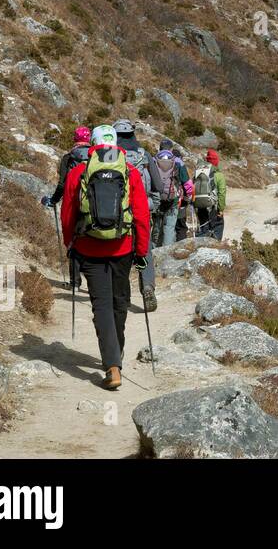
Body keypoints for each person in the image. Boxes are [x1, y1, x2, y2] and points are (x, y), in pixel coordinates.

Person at [59, 124, 150, 391]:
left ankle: (112, 366)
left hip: (89, 247)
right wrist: (142, 251)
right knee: (120, 301)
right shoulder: (130, 172)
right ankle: (115, 356)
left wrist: (70, 244)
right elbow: (143, 217)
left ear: (93, 146)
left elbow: (68, 215)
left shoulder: (78, 172)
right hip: (123, 247)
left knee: (101, 305)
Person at [114, 120, 164, 312]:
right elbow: (158, 186)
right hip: (143, 209)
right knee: (145, 249)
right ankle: (148, 286)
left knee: (122, 250)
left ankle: (124, 294)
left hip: (119, 214)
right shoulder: (145, 156)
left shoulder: (112, 157)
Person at [41, 125, 92, 209]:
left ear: (75, 139)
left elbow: (62, 184)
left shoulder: (69, 158)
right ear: (89, 139)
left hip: (74, 201)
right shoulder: (95, 156)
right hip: (92, 200)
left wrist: (53, 201)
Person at [151, 148, 184, 249]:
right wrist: (186, 198)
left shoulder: (153, 161)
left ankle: (154, 250)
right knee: (169, 227)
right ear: (170, 149)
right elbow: (187, 184)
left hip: (156, 198)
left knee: (156, 226)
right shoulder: (177, 162)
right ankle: (167, 251)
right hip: (172, 199)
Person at [193, 150, 227, 240]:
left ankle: (200, 247)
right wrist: (221, 209)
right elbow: (222, 193)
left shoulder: (198, 172)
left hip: (200, 205)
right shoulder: (219, 175)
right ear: (216, 161)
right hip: (213, 207)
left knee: (204, 227)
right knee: (218, 226)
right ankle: (215, 247)